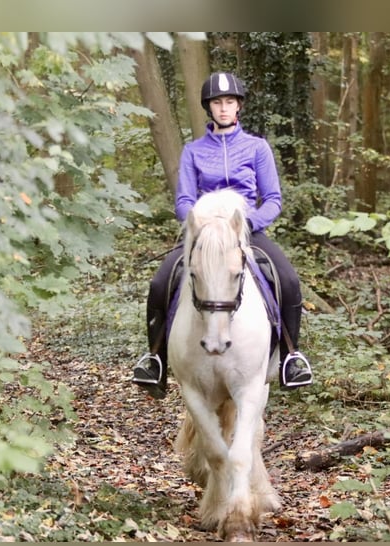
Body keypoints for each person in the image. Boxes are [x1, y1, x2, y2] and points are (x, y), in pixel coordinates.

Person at [132, 71, 312, 399]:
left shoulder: (257, 148)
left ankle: (291, 357)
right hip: (204, 235)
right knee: (160, 283)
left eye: (230, 102)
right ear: (209, 108)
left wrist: (247, 224)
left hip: (245, 232)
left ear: (239, 106)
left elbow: (273, 199)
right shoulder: (193, 151)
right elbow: (184, 200)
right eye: (218, 102)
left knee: (288, 280)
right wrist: (200, 224)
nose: (224, 108)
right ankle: (155, 360)